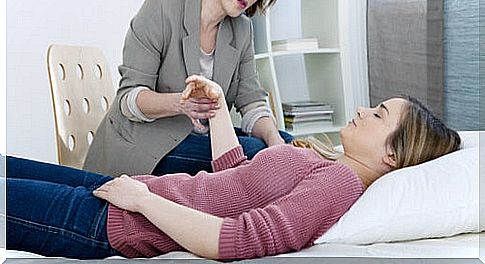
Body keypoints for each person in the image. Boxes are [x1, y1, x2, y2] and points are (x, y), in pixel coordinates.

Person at [7, 75, 461, 260]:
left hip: (117, 220)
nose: (363, 110)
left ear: (393, 156)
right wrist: (220, 106)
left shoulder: (339, 186)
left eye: (378, 114)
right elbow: (233, 176)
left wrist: (144, 202)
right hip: (125, 193)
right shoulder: (327, 163)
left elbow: (240, 238)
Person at [83, 0, 291, 177]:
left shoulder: (242, 30)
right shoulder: (160, 9)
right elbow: (129, 99)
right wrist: (181, 103)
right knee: (255, 154)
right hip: (145, 142)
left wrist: (275, 141)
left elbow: (251, 100)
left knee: (284, 145)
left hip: (199, 139)